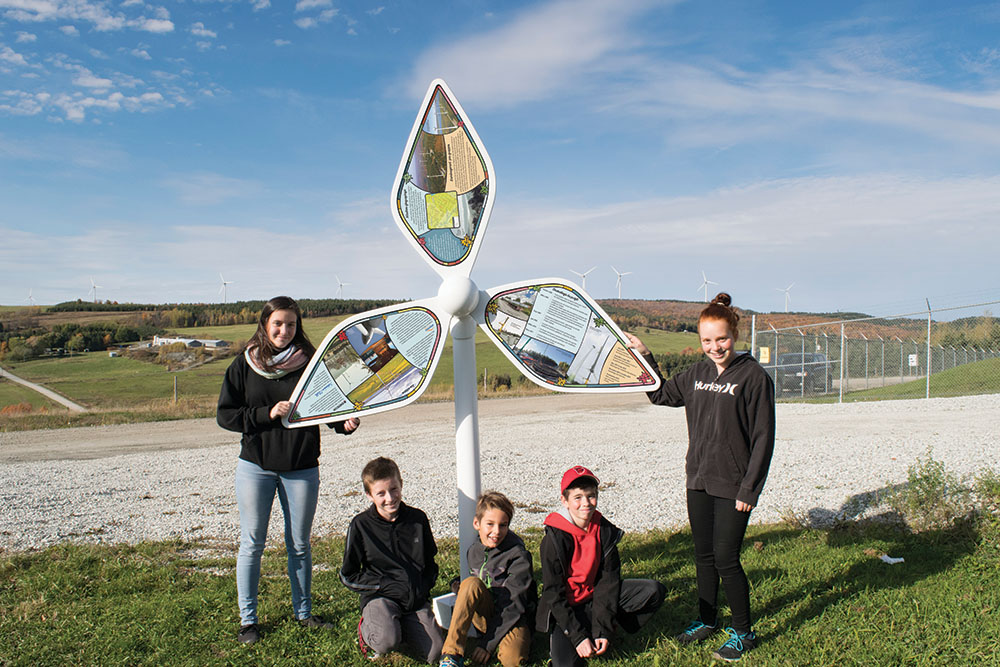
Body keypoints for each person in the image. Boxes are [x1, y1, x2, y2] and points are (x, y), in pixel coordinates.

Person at [625, 292, 775, 662]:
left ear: (735, 335)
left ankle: (744, 632)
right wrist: (644, 356)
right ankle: (707, 620)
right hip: (699, 479)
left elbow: (763, 439)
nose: (714, 347)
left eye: (721, 339)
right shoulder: (697, 374)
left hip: (734, 485)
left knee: (726, 558)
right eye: (707, 341)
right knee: (703, 556)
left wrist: (750, 489)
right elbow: (660, 394)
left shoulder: (754, 377)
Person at [217, 295, 361, 645]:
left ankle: (304, 613)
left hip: (301, 467)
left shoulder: (311, 364)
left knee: (299, 544)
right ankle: (248, 621)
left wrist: (344, 424)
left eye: (291, 324)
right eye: (278, 323)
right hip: (256, 466)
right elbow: (226, 415)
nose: (284, 330)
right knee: (252, 543)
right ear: (265, 324)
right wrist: (266, 414)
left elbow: (326, 407)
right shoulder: (244, 364)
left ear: (298, 327)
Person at [536, 466, 666, 667]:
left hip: (595, 597)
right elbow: (553, 592)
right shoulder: (553, 539)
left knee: (653, 591)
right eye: (577, 498)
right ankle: (579, 635)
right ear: (565, 501)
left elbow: (608, 582)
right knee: (566, 664)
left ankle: (607, 631)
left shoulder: (604, 530)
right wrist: (577, 636)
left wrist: (602, 628)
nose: (586, 503)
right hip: (567, 607)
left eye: (591, 496)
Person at [340, 456, 444, 663]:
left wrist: (422, 587)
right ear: (369, 495)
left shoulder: (418, 519)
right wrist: (383, 586)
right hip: (381, 597)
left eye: (394, 489)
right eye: (381, 493)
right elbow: (348, 575)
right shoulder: (360, 525)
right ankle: (372, 629)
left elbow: (431, 564)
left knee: (435, 652)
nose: (389, 498)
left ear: (401, 485)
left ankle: (401, 626)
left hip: (414, 599)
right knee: (386, 641)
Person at [439, 491, 536, 667]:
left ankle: (501, 642)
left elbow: (515, 605)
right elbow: (476, 586)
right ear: (477, 523)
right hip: (487, 613)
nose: (496, 531)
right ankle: (451, 654)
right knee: (469, 583)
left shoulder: (518, 555)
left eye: (503, 525)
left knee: (512, 659)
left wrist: (487, 645)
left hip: (512, 617)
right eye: (490, 524)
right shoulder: (474, 550)